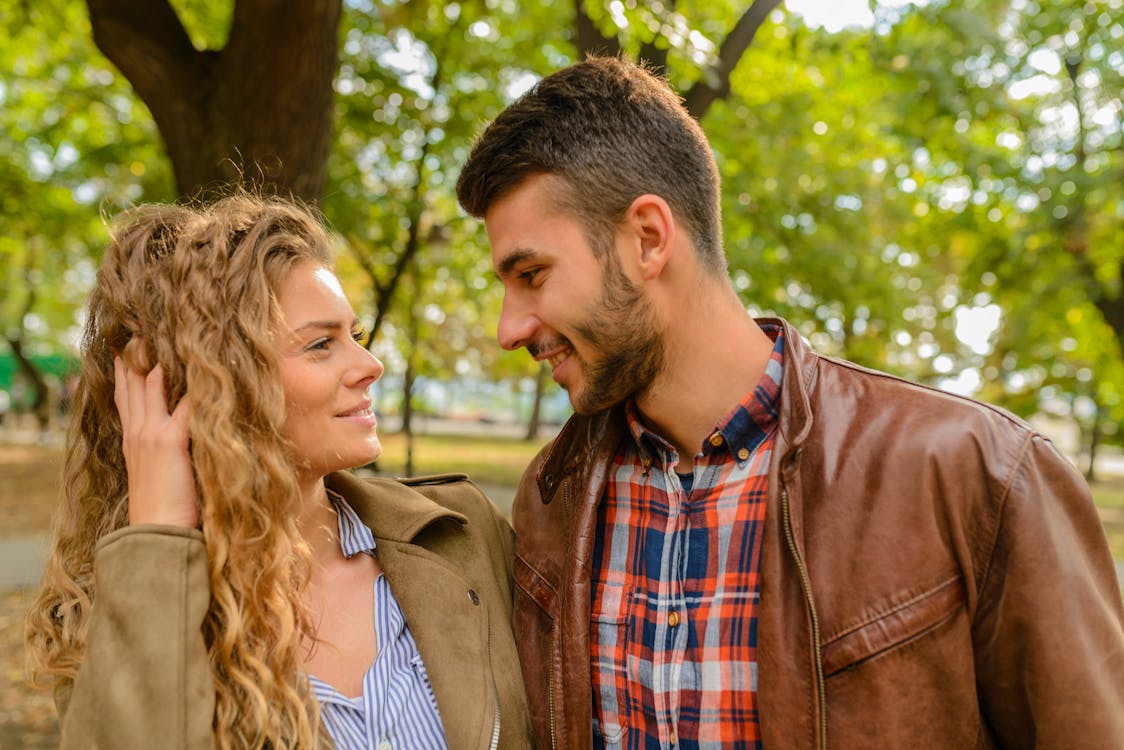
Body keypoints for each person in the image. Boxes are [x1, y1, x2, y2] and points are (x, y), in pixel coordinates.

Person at [455, 55, 1124, 749]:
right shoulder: (551, 496)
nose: (509, 328)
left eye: (532, 274)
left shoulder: (976, 473)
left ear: (647, 239)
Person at [26, 193, 531, 749]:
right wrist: (161, 532)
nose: (370, 365)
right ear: (214, 384)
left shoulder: (460, 534)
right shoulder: (120, 610)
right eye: (320, 344)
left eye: (354, 336)